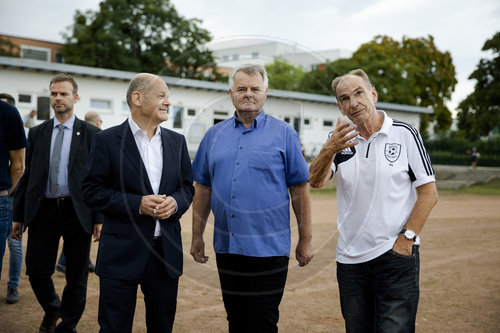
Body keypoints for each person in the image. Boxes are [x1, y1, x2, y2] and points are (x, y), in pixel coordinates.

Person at [309, 69, 438, 332]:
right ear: (340, 107)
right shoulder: (340, 141)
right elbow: (316, 180)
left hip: (395, 256)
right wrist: (329, 149)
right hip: (350, 261)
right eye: (344, 98)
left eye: (359, 93)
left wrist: (406, 240)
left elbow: (429, 193)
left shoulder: (404, 134)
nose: (353, 102)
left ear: (373, 94)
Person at [190, 64, 314, 333]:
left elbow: (300, 190)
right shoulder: (213, 136)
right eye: (242, 88)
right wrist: (197, 236)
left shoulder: (285, 135)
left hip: (268, 249)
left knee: (263, 322)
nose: (248, 94)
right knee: (235, 320)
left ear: (265, 92)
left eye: (255, 88)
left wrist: (305, 240)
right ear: (231, 93)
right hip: (227, 247)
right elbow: (203, 188)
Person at [82, 73, 194, 333]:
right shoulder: (106, 140)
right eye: (162, 95)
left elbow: (187, 188)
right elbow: (91, 191)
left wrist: (175, 204)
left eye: (169, 97)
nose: (168, 102)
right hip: (121, 252)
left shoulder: (177, 142)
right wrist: (137, 204)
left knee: (162, 326)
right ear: (137, 98)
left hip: (164, 252)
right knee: (114, 327)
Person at [11, 73, 102, 333]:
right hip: (43, 211)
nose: (58, 98)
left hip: (78, 211)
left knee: (77, 276)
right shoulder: (37, 133)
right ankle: (53, 308)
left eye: (63, 93)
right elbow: (28, 177)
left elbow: (98, 179)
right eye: (53, 93)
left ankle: (68, 326)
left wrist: (98, 218)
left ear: (75, 97)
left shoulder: (92, 134)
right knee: (37, 271)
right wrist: (19, 216)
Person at [56, 110, 101, 274]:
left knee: (77, 239)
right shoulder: (91, 137)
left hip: (80, 202)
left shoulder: (86, 135)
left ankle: (81, 262)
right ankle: (63, 262)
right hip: (79, 201)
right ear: (97, 123)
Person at [0, 95, 26, 305]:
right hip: (7, 193)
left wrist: (8, 192)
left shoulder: (11, 120)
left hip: (10, 196)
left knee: (14, 244)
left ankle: (13, 285)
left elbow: (20, 166)